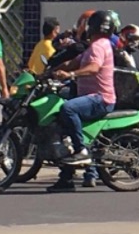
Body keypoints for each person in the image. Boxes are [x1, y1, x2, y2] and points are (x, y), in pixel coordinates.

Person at [47, 10, 117, 192]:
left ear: (91, 27)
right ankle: (66, 178)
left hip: (100, 99)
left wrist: (69, 74)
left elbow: (93, 68)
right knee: (63, 129)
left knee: (68, 109)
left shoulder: (98, 46)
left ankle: (81, 151)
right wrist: (49, 72)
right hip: (90, 97)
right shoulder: (95, 46)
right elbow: (73, 62)